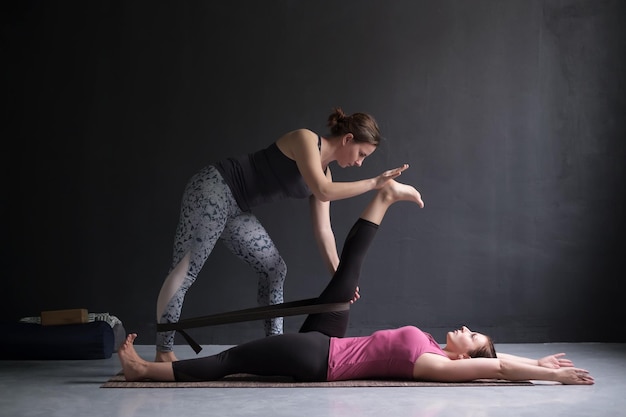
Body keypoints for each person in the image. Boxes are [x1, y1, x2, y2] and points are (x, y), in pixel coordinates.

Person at [122, 181, 594, 385]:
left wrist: (549, 375)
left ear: (464, 356)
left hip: (319, 359)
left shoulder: (441, 367)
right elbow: (497, 360)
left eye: (472, 337)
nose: (467, 329)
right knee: (344, 283)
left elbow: (495, 369)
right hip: (331, 343)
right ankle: (382, 200)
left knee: (232, 362)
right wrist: (535, 358)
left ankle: (144, 373)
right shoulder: (433, 347)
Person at [155, 107, 411, 361]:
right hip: (213, 188)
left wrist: (340, 278)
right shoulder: (305, 140)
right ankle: (163, 351)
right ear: (347, 139)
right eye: (361, 154)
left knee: (274, 269)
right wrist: (374, 183)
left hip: (237, 208)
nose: (359, 163)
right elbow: (323, 191)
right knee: (186, 269)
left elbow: (324, 231)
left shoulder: (326, 173)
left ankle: (273, 347)